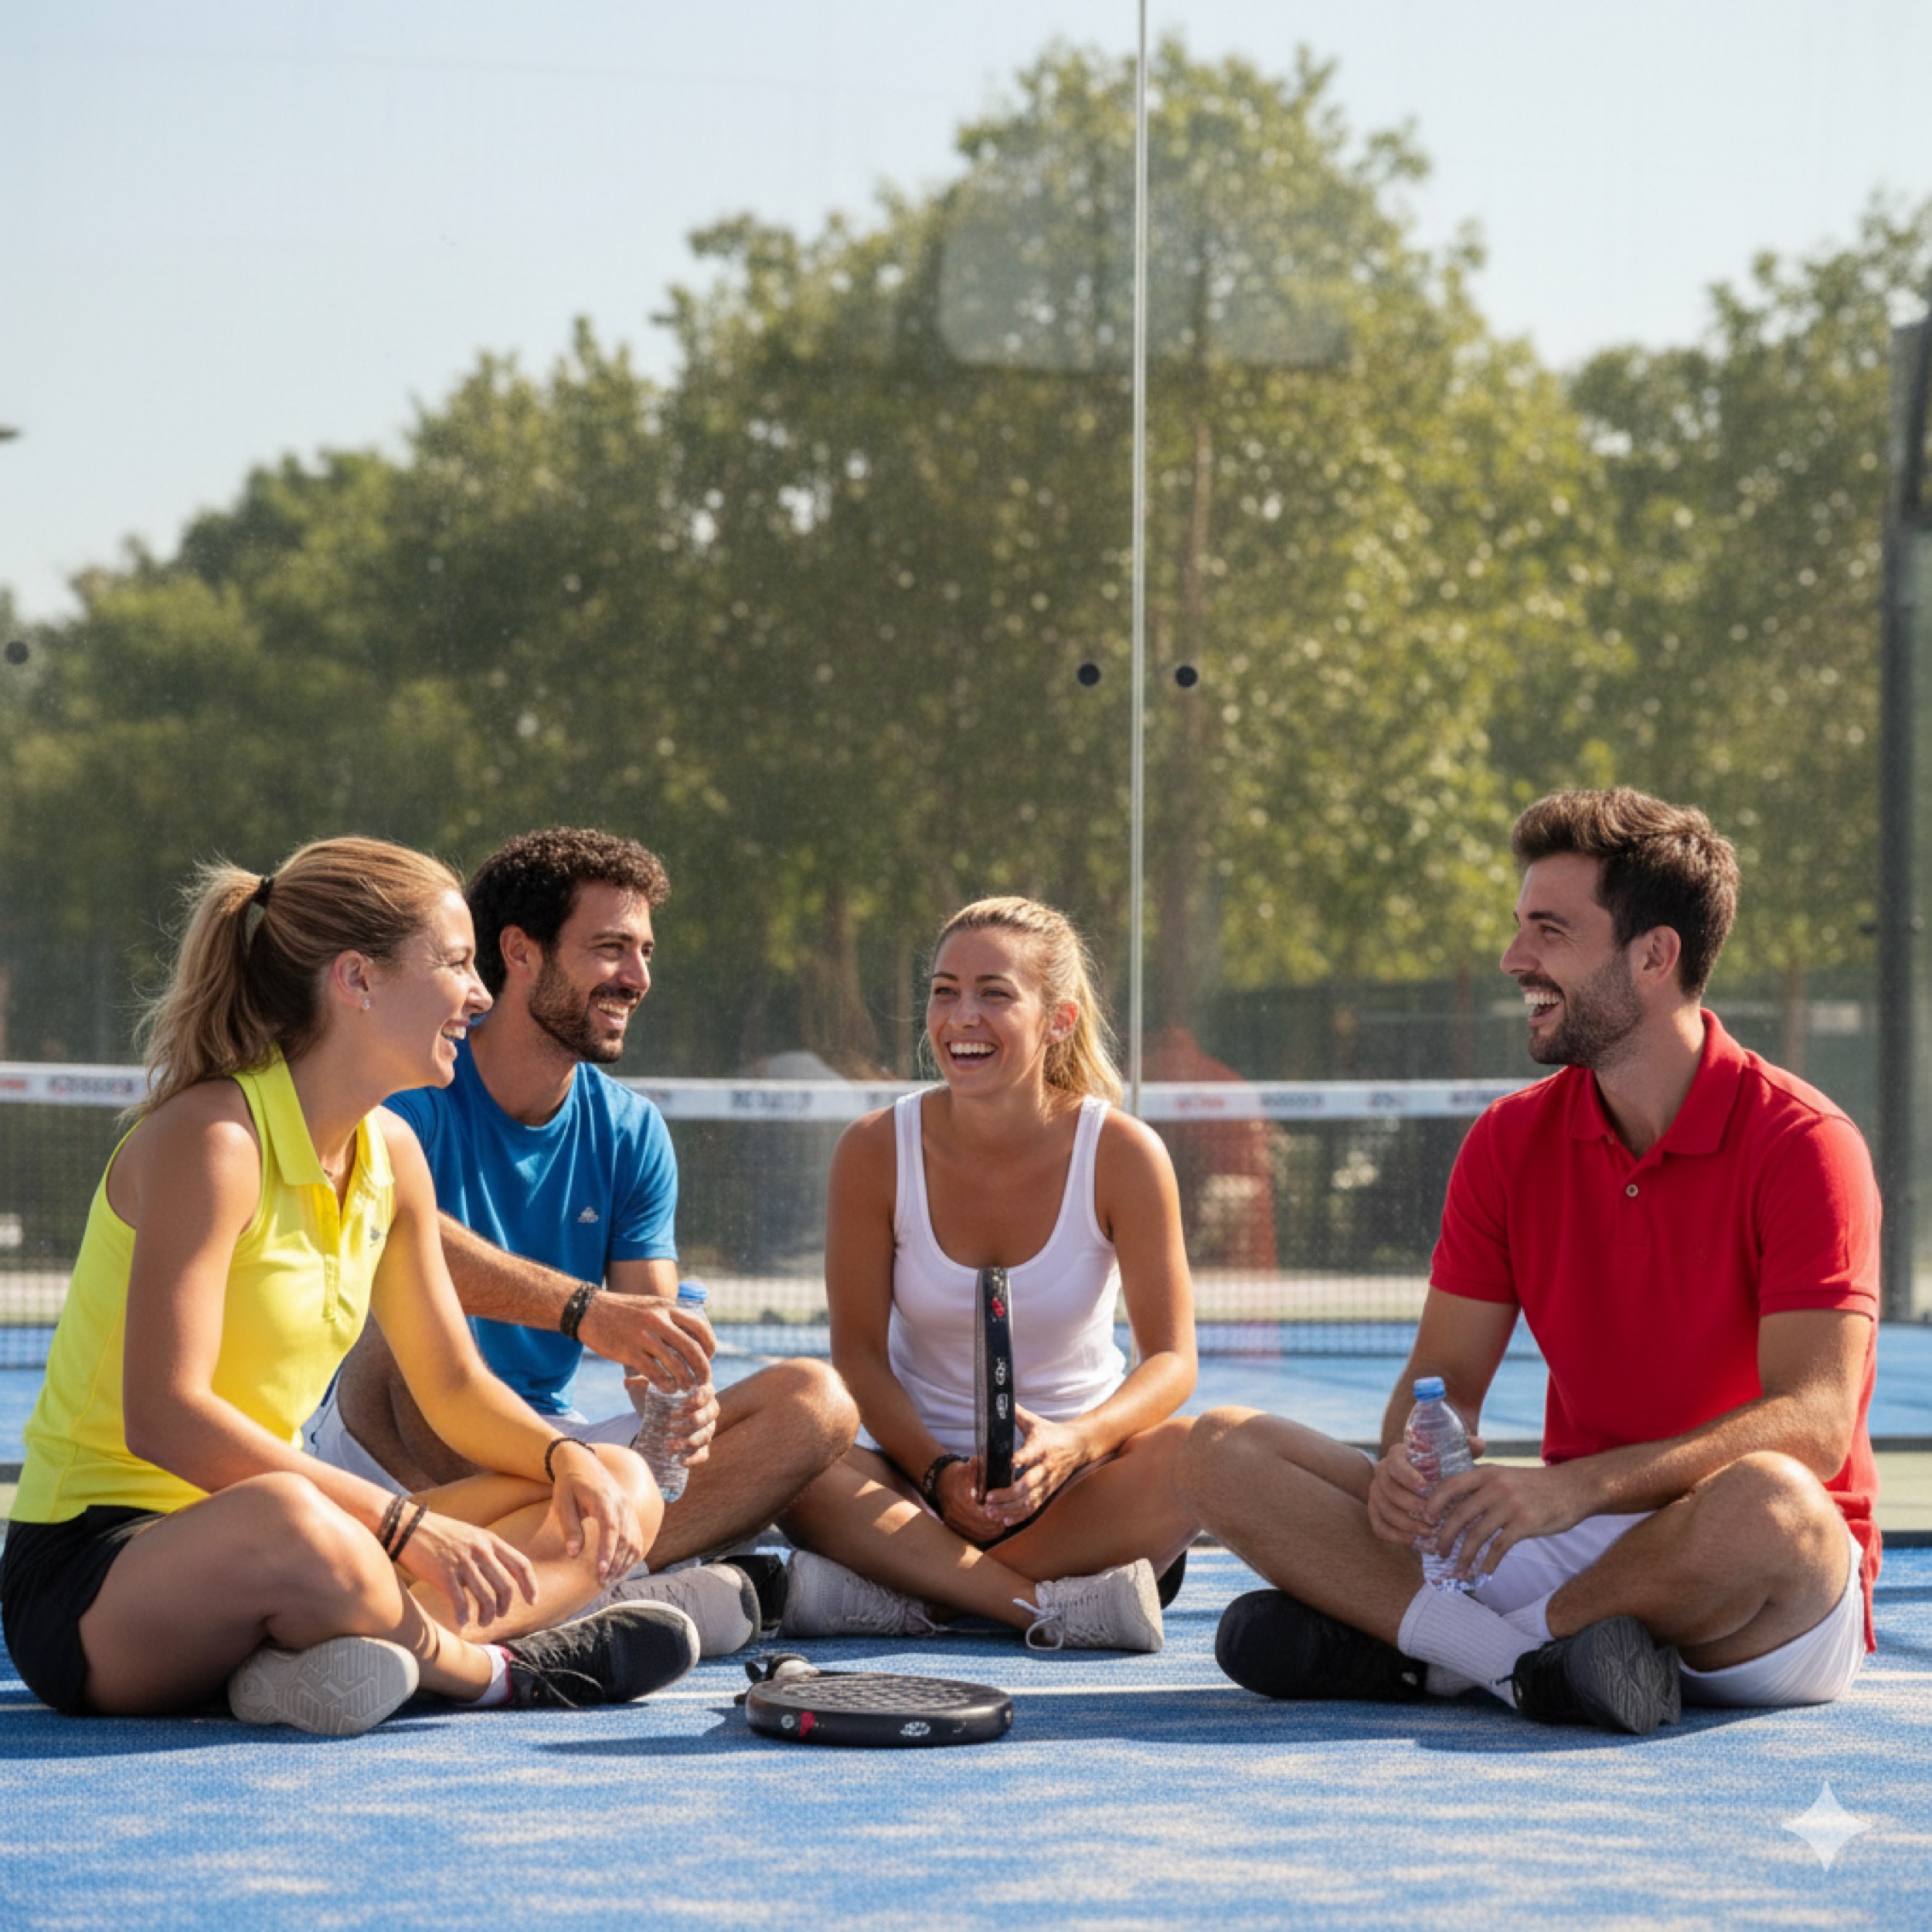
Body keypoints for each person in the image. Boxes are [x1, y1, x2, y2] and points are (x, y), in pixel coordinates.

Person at [1177, 789, 1879, 1733]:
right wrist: (1407, 1463)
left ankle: (1436, 1656)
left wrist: (1571, 1488)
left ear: (1654, 956)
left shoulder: (1804, 1142)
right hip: (1571, 1554)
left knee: (1771, 1501)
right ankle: (1525, 1668)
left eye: (1549, 931)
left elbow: (1813, 1425)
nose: (1515, 959)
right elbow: (1443, 1380)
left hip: (1756, 1593)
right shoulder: (1508, 1140)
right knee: (1222, 1447)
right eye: (1518, 928)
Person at [0, 838, 701, 1738]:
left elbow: (452, 1387)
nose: (481, 995)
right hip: (97, 1579)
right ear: (357, 981)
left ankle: (310, 1661)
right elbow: (165, 1418)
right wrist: (404, 1526)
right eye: (455, 964)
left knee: (619, 1482)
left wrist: (565, 1461)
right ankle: (498, 1673)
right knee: (292, 1518)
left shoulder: (391, 1154)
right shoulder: (211, 1141)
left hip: (304, 1543)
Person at [309, 828, 857, 1655]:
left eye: (643, 951)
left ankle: (567, 1580)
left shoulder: (631, 1128)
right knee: (400, 1333)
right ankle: (575, 1581)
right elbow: (399, 1247)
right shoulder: (411, 1089)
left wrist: (675, 1392)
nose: (637, 978)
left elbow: (648, 1334)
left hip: (546, 1449)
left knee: (818, 1402)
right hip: (393, 1460)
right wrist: (583, 1310)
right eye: (609, 949)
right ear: (519, 953)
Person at [777, 896, 1199, 1651]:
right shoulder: (874, 1149)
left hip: (1081, 1496)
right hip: (915, 1489)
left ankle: (919, 1594)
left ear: (1058, 1019)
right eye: (944, 991)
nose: (961, 1017)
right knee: (794, 1449)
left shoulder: (1124, 1153)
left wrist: (1073, 1445)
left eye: (994, 993)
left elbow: (1173, 1358)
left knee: (1200, 1452)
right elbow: (859, 1358)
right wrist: (937, 1473)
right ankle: (1039, 1604)